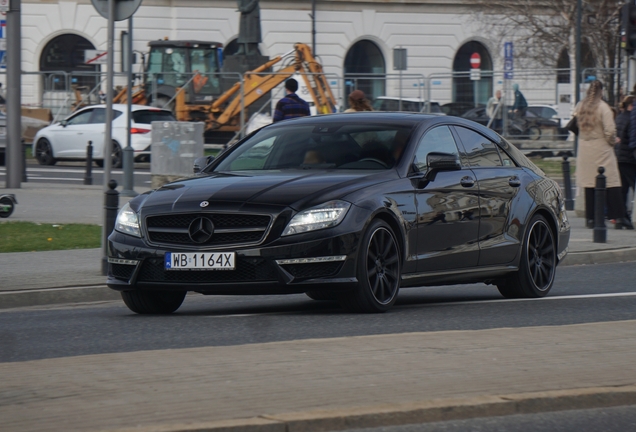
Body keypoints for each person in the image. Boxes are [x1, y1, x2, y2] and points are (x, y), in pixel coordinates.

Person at [575, 80, 632, 230]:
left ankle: (591, 218)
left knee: (590, 185)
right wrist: (613, 141)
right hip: (601, 148)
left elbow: (575, 124)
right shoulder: (603, 107)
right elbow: (610, 131)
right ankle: (619, 217)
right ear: (602, 91)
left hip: (585, 149)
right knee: (612, 183)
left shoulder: (581, 106)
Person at [618, 95, 636, 222]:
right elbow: (630, 137)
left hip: (619, 156)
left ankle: (622, 216)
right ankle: (626, 216)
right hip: (628, 157)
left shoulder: (619, 117)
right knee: (633, 185)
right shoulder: (630, 118)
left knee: (623, 189)